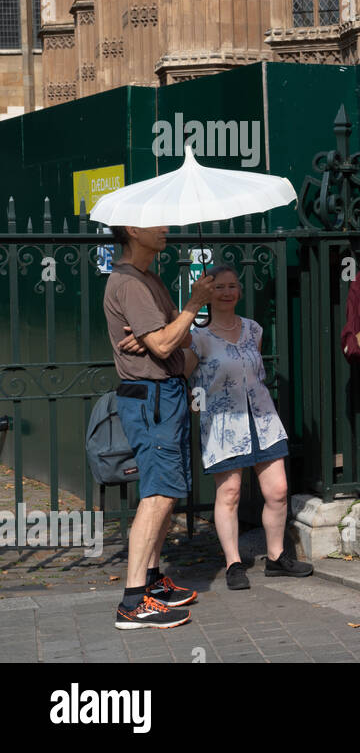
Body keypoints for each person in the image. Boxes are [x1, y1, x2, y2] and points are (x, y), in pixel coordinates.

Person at [104, 225, 213, 630]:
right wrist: (194, 303)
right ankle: (133, 603)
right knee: (159, 494)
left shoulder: (148, 279)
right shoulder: (130, 283)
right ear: (133, 229)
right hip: (151, 397)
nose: (165, 228)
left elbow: (178, 341)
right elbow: (168, 345)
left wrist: (168, 333)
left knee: (168, 490)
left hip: (164, 394)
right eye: (156, 222)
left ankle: (150, 583)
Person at [188, 265, 313, 590]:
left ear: (240, 291)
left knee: (278, 491)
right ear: (207, 293)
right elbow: (187, 375)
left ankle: (276, 557)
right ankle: (233, 563)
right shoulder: (197, 336)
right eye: (219, 287)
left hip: (263, 419)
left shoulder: (254, 330)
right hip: (224, 425)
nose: (227, 292)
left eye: (232, 286)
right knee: (229, 493)